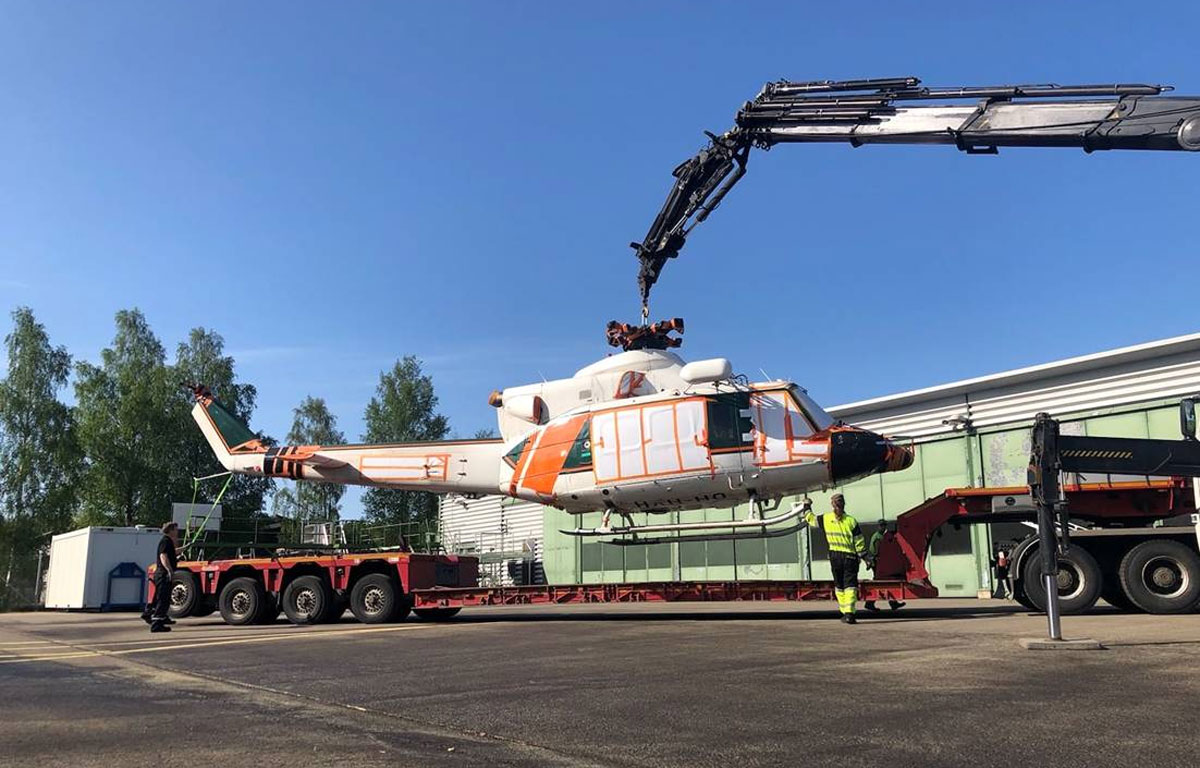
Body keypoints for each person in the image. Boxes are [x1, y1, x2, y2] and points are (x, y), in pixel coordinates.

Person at [803, 493, 869, 624]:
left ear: (832, 504)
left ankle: (844, 612)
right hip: (850, 557)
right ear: (844, 504)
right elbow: (859, 541)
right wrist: (864, 556)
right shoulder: (851, 521)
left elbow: (811, 519)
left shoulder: (826, 518)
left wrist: (806, 506)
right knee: (850, 585)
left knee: (839, 585)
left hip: (835, 557)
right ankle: (849, 613)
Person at [141, 522, 180, 633]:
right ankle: (156, 624)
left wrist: (186, 547)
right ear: (171, 530)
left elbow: (173, 553)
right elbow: (163, 556)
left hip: (162, 574)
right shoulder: (165, 541)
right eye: (176, 529)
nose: (177, 531)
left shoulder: (168, 542)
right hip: (163, 574)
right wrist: (169, 570)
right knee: (163, 599)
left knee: (161, 598)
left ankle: (152, 615)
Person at [863, 519, 906, 612]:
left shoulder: (883, 536)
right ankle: (870, 603)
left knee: (886, 582)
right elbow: (875, 550)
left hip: (880, 561)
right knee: (879, 583)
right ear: (878, 526)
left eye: (884, 525)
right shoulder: (877, 537)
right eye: (881, 525)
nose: (883, 527)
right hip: (877, 562)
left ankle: (892, 603)